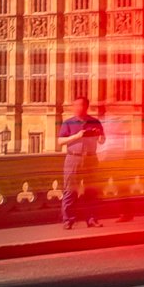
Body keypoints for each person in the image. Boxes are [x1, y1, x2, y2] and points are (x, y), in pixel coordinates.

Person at [59, 94, 105, 230]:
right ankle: (68, 220)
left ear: (86, 106)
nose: (77, 108)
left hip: (90, 158)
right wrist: (77, 136)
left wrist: (99, 135)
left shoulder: (94, 121)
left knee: (91, 191)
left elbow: (102, 141)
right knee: (70, 191)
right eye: (75, 105)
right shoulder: (68, 122)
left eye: (80, 105)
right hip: (74, 158)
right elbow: (60, 141)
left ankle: (92, 219)